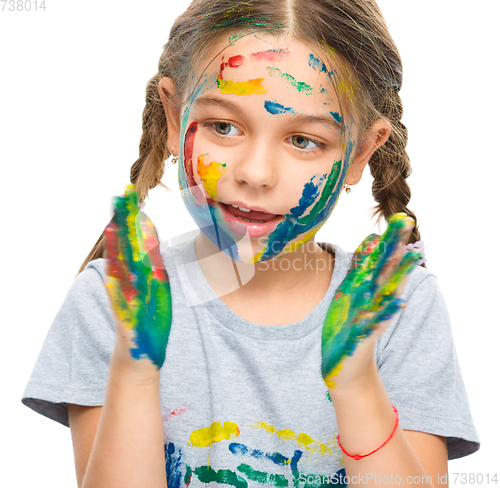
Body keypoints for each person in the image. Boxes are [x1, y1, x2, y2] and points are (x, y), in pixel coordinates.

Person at [22, 1, 479, 487]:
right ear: (175, 119)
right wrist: (134, 372)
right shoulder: (114, 300)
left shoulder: (397, 307)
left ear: (360, 152)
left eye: (304, 140)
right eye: (224, 127)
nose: (255, 174)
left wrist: (355, 385)